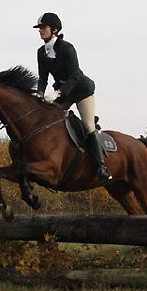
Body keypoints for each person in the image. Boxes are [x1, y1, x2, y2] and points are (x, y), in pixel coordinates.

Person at [33, 12, 111, 182]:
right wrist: (39, 93)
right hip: (62, 91)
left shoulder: (67, 48)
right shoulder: (41, 52)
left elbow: (75, 76)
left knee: (88, 125)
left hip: (81, 89)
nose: (40, 31)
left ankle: (101, 166)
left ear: (54, 29)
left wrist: (59, 93)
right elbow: (43, 77)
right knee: (49, 118)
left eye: (43, 27)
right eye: (39, 28)